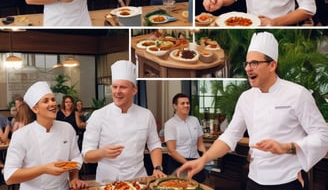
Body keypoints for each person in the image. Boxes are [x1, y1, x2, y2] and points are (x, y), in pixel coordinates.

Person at [178, 31, 328, 189]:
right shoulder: (246, 98)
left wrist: (288, 147)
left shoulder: (297, 94)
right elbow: (230, 136)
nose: (248, 68)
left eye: (254, 63)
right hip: (255, 180)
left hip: (288, 180)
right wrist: (204, 159)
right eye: (247, 63)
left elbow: (323, 135)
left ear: (272, 65)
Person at [82, 60, 165, 182]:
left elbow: (154, 145)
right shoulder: (98, 115)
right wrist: (102, 153)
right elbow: (86, 155)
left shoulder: (146, 115)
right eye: (115, 87)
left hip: (138, 178)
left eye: (123, 87)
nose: (117, 92)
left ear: (134, 90)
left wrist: (157, 167)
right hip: (107, 180)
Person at [3, 81, 87, 189]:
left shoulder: (67, 128)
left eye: (53, 100)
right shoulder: (22, 135)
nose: (52, 103)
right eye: (46, 101)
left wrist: (74, 178)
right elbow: (9, 176)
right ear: (35, 109)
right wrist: (44, 169)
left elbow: (75, 157)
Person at [164, 93, 206, 183]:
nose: (186, 105)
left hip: (195, 161)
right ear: (175, 106)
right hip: (178, 162)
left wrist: (205, 157)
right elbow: (172, 150)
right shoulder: (170, 124)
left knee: (199, 186)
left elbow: (200, 144)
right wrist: (187, 163)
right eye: (183, 103)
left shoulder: (194, 120)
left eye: (188, 103)